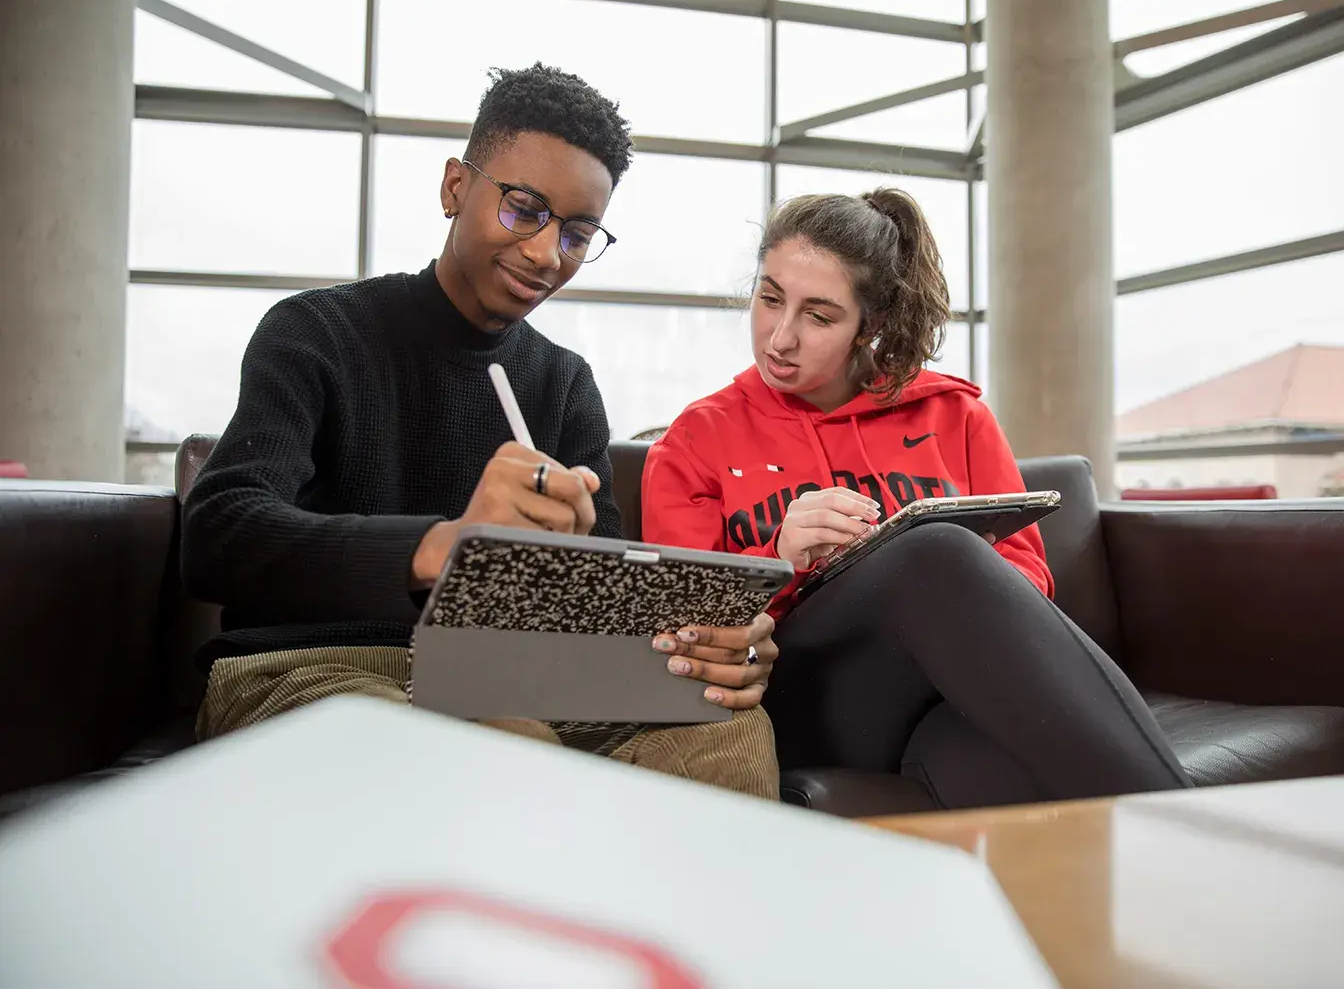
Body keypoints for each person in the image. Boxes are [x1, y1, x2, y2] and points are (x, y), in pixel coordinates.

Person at [181, 64, 778, 799]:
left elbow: (600, 604)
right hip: (307, 667)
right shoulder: (316, 334)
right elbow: (218, 535)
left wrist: (706, 648)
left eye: (577, 233)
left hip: (507, 678)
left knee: (722, 726)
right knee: (499, 743)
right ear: (455, 187)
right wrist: (442, 546)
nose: (544, 253)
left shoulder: (562, 384)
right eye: (524, 209)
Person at [640, 188, 1191, 809]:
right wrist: (780, 559)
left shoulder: (954, 415)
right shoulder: (696, 439)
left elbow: (1025, 579)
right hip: (797, 699)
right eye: (769, 298)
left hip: (943, 691)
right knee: (932, 553)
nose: (780, 337)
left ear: (869, 325)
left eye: (819, 316)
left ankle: (1150, 860)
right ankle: (1191, 829)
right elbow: (686, 630)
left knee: (981, 754)